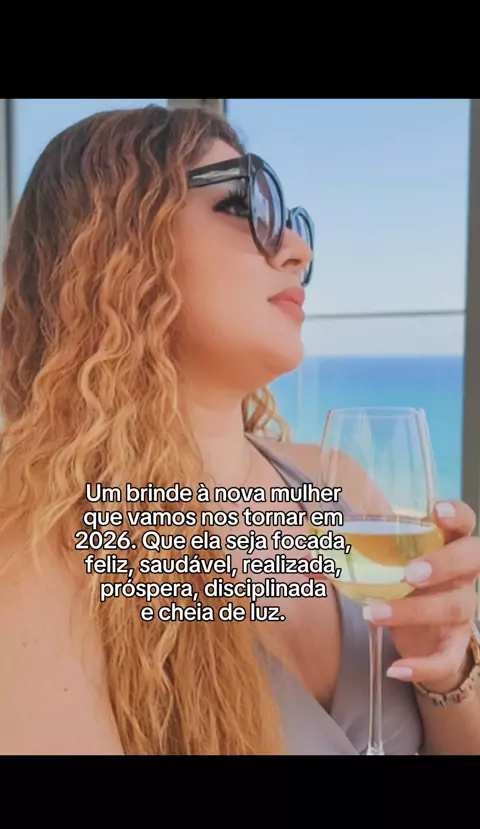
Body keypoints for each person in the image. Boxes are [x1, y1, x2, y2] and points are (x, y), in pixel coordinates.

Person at [0, 104, 479, 756]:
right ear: (117, 252)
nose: (299, 250)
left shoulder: (340, 489)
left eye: (291, 222)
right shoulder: (38, 549)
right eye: (242, 206)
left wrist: (448, 668)